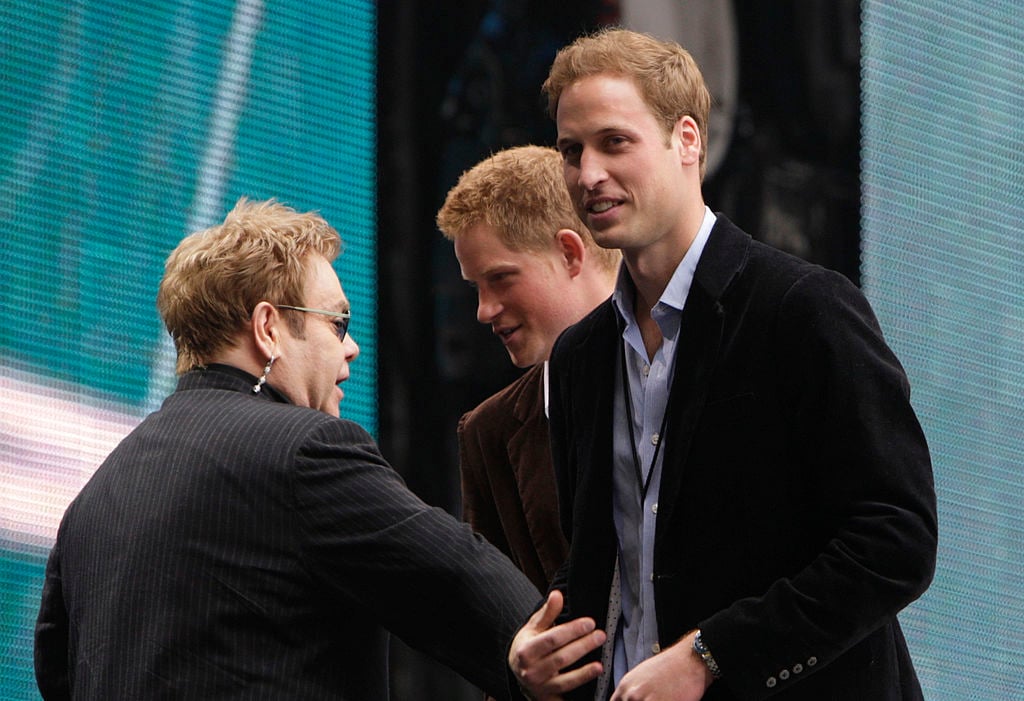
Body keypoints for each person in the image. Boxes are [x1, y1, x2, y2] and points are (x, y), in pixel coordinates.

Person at [508, 28, 938, 701]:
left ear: (688, 141)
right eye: (571, 151)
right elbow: (615, 559)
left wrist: (712, 653)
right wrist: (544, 643)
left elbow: (895, 541)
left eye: (614, 142)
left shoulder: (804, 310)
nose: (587, 174)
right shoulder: (579, 356)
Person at [33, 198, 540, 700]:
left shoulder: (94, 498)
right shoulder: (306, 451)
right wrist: (565, 662)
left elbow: (57, 674)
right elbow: (460, 575)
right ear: (268, 327)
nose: (351, 347)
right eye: (337, 322)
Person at [436, 145, 620, 592]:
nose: (482, 310)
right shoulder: (488, 432)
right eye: (476, 287)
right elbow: (493, 617)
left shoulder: (700, 370)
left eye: (500, 278)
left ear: (570, 254)